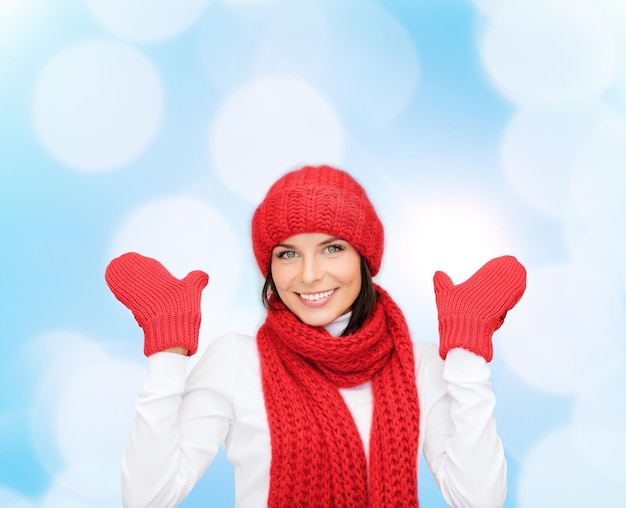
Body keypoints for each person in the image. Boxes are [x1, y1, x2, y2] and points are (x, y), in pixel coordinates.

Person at [105, 165, 526, 508]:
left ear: (365, 257)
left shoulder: (421, 365)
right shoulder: (235, 359)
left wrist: (468, 353)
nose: (309, 275)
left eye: (332, 248)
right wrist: (167, 352)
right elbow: (147, 497)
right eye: (288, 254)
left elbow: (479, 501)